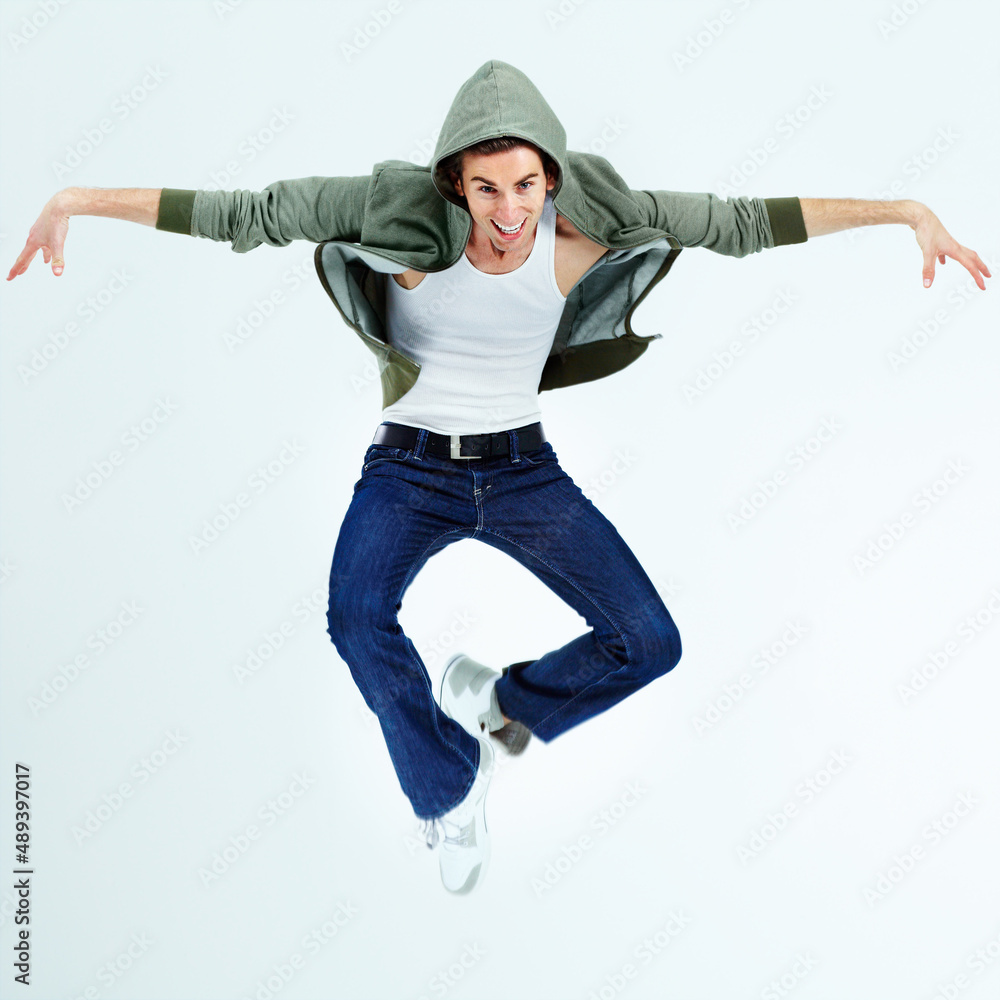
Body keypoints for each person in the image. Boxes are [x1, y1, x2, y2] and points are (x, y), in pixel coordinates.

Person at [8, 60, 990, 896]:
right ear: (453, 183)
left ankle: (505, 702)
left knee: (648, 641)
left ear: (551, 178)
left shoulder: (600, 213)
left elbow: (738, 221)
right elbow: (247, 213)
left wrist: (903, 212)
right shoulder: (387, 203)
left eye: (527, 186)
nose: (510, 211)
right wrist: (74, 203)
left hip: (522, 471)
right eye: (486, 189)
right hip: (409, 467)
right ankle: (446, 788)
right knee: (354, 620)